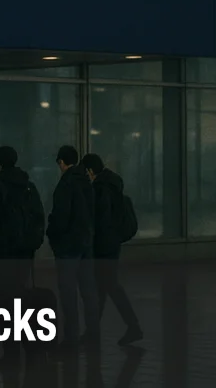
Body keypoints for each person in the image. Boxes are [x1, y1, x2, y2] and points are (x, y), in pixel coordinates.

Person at [0, 145, 46, 368]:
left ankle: (11, 354)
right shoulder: (29, 186)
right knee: (21, 298)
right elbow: (39, 218)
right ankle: (32, 350)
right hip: (24, 254)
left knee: (5, 303)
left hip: (2, 255)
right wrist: (31, 244)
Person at [80, 153, 143, 346]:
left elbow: (101, 220)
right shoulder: (113, 185)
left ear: (90, 171)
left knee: (109, 287)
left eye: (85, 173)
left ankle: (133, 327)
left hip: (104, 247)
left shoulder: (101, 189)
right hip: (112, 244)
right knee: (103, 288)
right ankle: (93, 332)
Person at [48, 145, 100, 349]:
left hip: (68, 246)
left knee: (68, 293)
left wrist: (52, 234)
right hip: (85, 243)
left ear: (61, 162)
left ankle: (71, 339)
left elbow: (61, 218)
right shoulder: (86, 182)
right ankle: (93, 334)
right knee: (88, 291)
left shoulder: (65, 185)